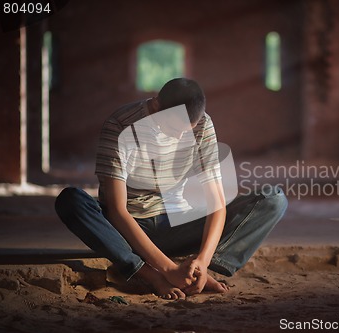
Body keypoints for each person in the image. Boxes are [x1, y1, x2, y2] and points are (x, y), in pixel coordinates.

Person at [55, 78, 287, 300]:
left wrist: (203, 263)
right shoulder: (121, 124)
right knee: (71, 200)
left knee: (273, 199)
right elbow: (117, 210)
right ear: (156, 105)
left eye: (187, 130)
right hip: (128, 230)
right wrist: (166, 270)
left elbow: (217, 203)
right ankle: (147, 274)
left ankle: (198, 274)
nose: (180, 136)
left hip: (177, 225)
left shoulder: (203, 124)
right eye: (173, 128)